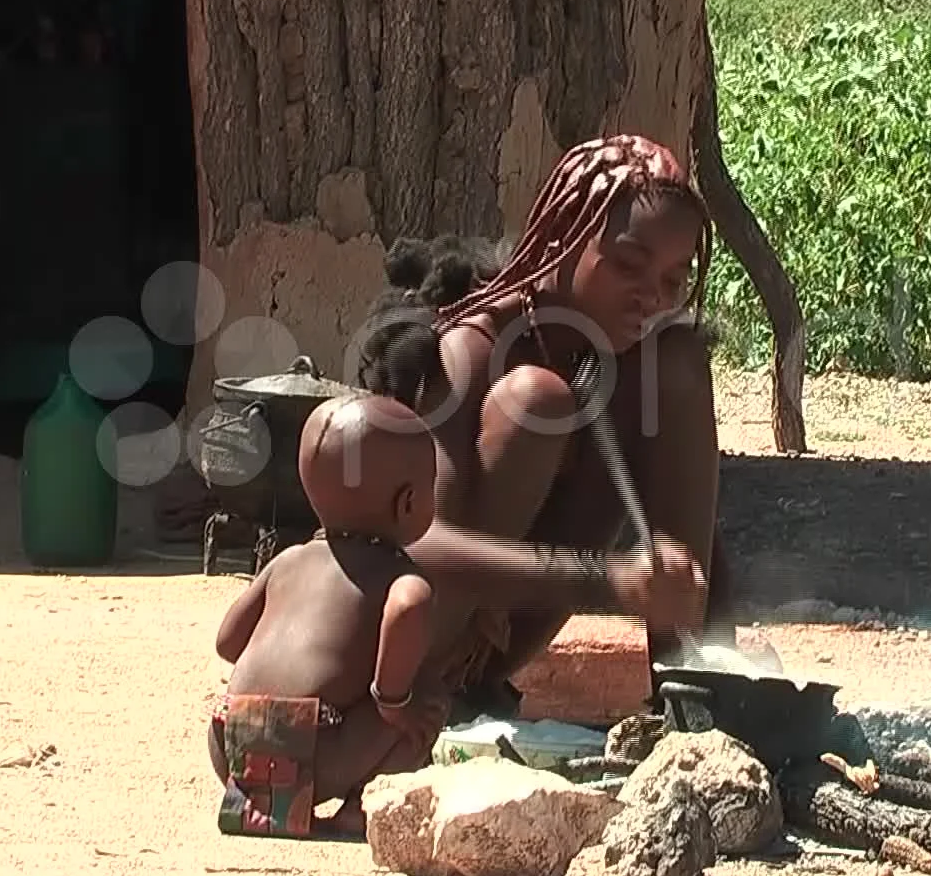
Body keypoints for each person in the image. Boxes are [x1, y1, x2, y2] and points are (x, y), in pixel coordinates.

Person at [355, 134, 728, 723]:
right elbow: (422, 550)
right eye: (629, 265)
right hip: (411, 644)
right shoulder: (467, 348)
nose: (651, 298)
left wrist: (676, 584)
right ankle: (442, 696)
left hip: (504, 634)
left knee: (677, 361)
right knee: (538, 400)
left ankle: (689, 691)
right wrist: (607, 581)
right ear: (562, 241)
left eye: (674, 279)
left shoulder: (618, 349)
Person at [207, 394, 447, 837]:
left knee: (381, 696)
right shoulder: (398, 575)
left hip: (231, 743)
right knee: (427, 702)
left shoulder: (288, 560)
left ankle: (255, 804)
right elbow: (409, 606)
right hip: (314, 752)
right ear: (408, 503)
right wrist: (394, 704)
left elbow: (227, 644)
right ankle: (360, 808)